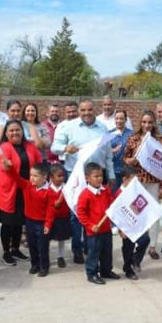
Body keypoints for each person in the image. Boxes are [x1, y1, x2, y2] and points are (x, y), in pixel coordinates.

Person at [51, 99, 115, 264]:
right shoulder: (69, 127)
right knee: (76, 215)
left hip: (97, 176)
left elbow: (108, 155)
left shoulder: (103, 128)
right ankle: (77, 249)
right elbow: (54, 146)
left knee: (95, 212)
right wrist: (66, 148)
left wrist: (112, 175)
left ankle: (90, 246)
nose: (86, 113)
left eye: (89, 110)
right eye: (83, 110)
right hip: (76, 176)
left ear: (95, 110)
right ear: (79, 111)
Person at [123, 110, 162, 260]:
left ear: (154, 123)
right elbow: (125, 158)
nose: (147, 125)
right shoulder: (133, 138)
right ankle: (139, 243)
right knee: (137, 213)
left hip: (154, 182)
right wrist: (130, 161)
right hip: (137, 182)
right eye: (144, 122)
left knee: (154, 215)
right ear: (140, 123)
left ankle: (153, 246)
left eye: (149, 122)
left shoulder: (161, 140)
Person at [0, 119, 40, 266]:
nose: (15, 133)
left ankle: (15, 249)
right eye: (11, 130)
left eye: (17, 129)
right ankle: (6, 252)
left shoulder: (30, 146)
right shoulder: (3, 147)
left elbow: (39, 163)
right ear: (6, 134)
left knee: (19, 223)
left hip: (25, 191)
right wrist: (7, 164)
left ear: (22, 131)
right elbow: (3, 164)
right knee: (7, 223)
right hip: (9, 192)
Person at [5, 161, 55, 277]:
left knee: (42, 246)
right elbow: (16, 178)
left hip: (42, 223)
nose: (32, 178)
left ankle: (44, 267)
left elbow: (51, 210)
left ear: (44, 177)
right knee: (32, 245)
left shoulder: (49, 192)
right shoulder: (27, 186)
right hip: (29, 222)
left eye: (35, 176)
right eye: (31, 175)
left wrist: (48, 224)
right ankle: (35, 265)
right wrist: (11, 167)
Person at [76, 162, 120, 285]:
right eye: (96, 176)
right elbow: (81, 213)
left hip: (106, 228)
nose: (99, 178)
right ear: (87, 178)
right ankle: (92, 273)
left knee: (107, 252)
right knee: (94, 253)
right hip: (93, 231)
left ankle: (106, 271)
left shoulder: (105, 190)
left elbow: (111, 204)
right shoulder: (85, 194)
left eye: (101, 175)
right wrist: (90, 225)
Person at [115, 165, 150, 280]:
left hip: (137, 225)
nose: (137, 182)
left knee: (145, 239)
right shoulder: (118, 194)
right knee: (128, 247)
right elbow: (115, 213)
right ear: (125, 179)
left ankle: (135, 260)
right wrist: (120, 229)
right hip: (126, 227)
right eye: (134, 180)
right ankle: (128, 269)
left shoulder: (137, 191)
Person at [48, 164, 72, 268]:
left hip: (63, 217)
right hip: (51, 218)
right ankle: (46, 257)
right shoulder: (47, 189)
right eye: (59, 176)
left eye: (63, 176)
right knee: (47, 238)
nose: (61, 178)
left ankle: (60, 256)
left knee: (61, 238)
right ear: (51, 177)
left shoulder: (66, 188)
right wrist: (54, 204)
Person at [110, 110, 133, 192]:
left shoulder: (132, 134)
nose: (118, 121)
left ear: (126, 120)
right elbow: (104, 151)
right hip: (112, 171)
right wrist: (113, 150)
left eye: (121, 119)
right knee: (113, 194)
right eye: (117, 118)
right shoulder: (109, 133)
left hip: (127, 170)